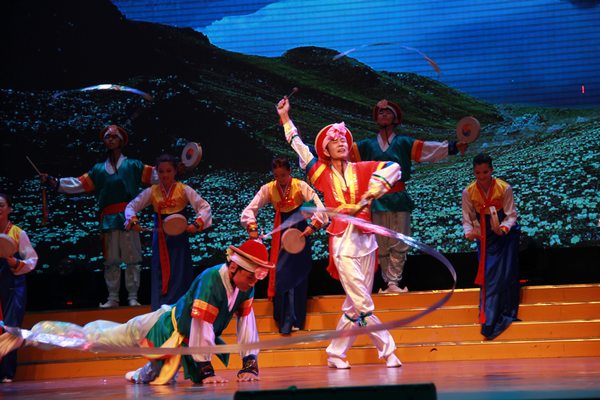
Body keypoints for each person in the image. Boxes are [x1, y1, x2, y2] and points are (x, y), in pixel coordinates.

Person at [0, 239, 273, 385]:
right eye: (251, 275)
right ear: (234, 267)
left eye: (258, 277)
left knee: (155, 376)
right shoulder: (211, 280)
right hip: (159, 326)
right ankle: (28, 335)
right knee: (95, 338)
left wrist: (249, 365)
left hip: (179, 342)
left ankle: (138, 374)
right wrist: (206, 371)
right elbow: (201, 327)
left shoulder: (244, 286)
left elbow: (247, 325)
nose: (254, 282)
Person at [276, 97, 402, 369]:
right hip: (343, 243)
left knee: (354, 306)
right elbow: (299, 145)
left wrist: (375, 189)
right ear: (326, 149)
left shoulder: (363, 169)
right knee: (363, 303)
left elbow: (395, 168)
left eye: (344, 138)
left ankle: (335, 352)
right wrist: (285, 118)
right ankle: (388, 351)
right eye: (334, 140)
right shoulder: (320, 173)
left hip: (366, 242)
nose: (341, 142)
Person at [350, 99, 468, 293]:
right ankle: (386, 281)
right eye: (380, 112)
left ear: (395, 118)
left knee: (400, 241)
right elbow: (343, 153)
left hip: (399, 198)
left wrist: (452, 147)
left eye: (388, 112)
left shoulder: (404, 142)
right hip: (377, 200)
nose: (384, 115)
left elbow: (428, 149)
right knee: (380, 243)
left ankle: (393, 282)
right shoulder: (366, 146)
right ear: (376, 118)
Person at [41, 125, 155, 308]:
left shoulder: (134, 165)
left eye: (114, 137)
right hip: (108, 219)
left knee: (132, 258)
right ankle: (113, 297)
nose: (110, 139)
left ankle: (133, 296)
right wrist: (55, 182)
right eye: (107, 137)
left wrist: (175, 169)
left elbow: (157, 174)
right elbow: (78, 183)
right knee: (111, 260)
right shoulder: (98, 169)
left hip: (128, 217)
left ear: (121, 141)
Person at [241, 157, 327, 334]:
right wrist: (252, 227)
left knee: (298, 275)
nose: (280, 179)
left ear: (289, 172)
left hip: (299, 233)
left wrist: (312, 227)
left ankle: (296, 319)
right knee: (281, 274)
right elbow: (250, 209)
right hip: (280, 233)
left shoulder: (300, 186)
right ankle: (284, 321)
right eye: (276, 175)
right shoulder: (268, 188)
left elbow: (320, 208)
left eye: (283, 175)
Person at [125, 153, 212, 311]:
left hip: (179, 239)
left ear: (175, 171)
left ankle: (181, 310)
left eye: (168, 171)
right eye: (161, 171)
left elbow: (204, 207)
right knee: (160, 272)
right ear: (157, 172)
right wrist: (133, 221)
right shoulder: (152, 191)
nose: (165, 175)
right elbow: (131, 206)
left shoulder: (183, 189)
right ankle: (160, 311)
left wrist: (196, 224)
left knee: (180, 271)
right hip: (160, 239)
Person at [461, 153, 520, 340]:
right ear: (474, 172)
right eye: (478, 173)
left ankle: (504, 313)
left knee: (506, 273)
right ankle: (488, 320)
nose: (482, 176)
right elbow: (467, 218)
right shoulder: (468, 191)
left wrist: (503, 229)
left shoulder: (504, 188)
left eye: (485, 172)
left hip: (504, 235)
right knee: (488, 275)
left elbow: (511, 215)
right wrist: (470, 232)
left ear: (492, 170)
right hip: (485, 235)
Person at [0, 193, 38, 383]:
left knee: (11, 327)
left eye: (1, 205)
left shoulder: (17, 232)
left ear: (9, 209)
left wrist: (16, 263)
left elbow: (32, 260)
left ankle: (7, 372)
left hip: (13, 285)